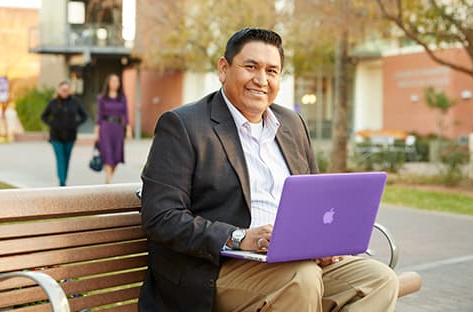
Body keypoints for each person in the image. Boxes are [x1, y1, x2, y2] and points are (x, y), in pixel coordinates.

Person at [139, 28, 399, 311]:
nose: (261, 80)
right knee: (302, 279)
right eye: (251, 67)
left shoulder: (292, 124)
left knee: (380, 279)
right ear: (224, 69)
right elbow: (161, 217)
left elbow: (314, 201)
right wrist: (238, 238)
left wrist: (321, 245)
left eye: (272, 71)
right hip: (215, 270)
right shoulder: (184, 125)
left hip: (296, 262)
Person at [41, 81, 88, 186]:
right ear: (59, 91)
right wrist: (52, 123)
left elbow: (84, 116)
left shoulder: (75, 102)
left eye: (67, 90)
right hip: (56, 137)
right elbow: (44, 116)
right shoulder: (53, 103)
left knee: (66, 159)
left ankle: (64, 180)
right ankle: (62, 182)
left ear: (69, 91)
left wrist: (76, 124)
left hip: (70, 136)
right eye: (63, 90)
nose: (65, 92)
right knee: (60, 159)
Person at [94, 74, 131, 184]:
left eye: (117, 81)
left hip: (118, 129)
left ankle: (108, 181)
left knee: (116, 156)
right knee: (107, 153)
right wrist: (96, 132)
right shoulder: (102, 98)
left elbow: (126, 115)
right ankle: (110, 182)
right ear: (108, 83)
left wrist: (128, 129)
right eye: (113, 81)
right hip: (105, 128)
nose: (115, 83)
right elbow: (99, 116)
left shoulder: (122, 98)